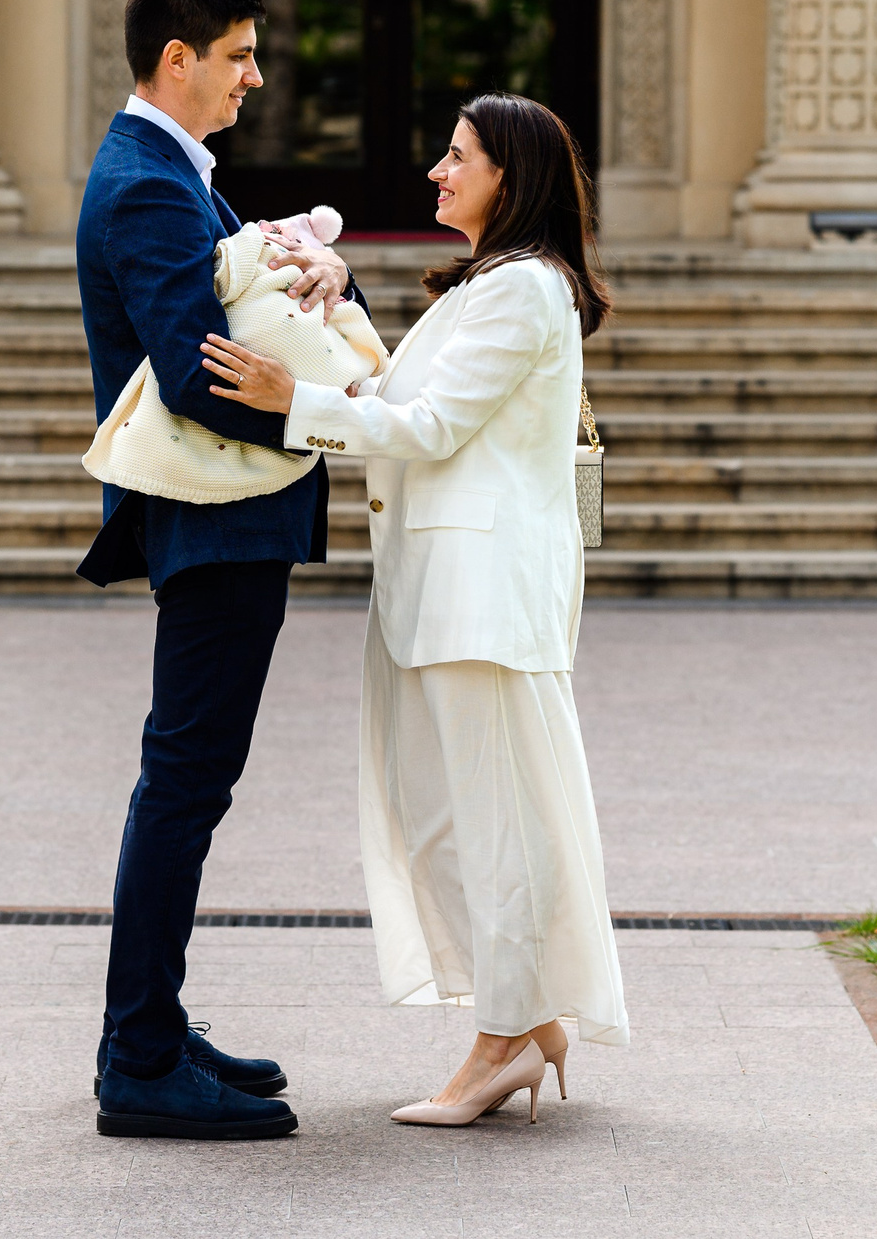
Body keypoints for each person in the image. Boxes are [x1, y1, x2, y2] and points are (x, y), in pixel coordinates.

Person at [202, 91, 627, 1128]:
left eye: (458, 156)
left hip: (478, 597)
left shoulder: (527, 287)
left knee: (491, 822)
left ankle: (503, 1038)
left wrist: (288, 402)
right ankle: (525, 1019)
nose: (436, 171)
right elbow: (402, 386)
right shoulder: (488, 285)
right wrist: (337, 302)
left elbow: (427, 427)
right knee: (446, 816)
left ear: (509, 177)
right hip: (441, 592)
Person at [76, 0, 360, 1141]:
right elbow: (200, 373)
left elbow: (246, 306)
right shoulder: (145, 181)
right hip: (213, 513)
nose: (254, 76)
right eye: (238, 54)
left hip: (232, 515)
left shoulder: (179, 173)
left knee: (191, 780)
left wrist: (320, 271)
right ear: (175, 58)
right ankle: (138, 1055)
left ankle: (154, 1021)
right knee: (185, 781)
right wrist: (325, 411)